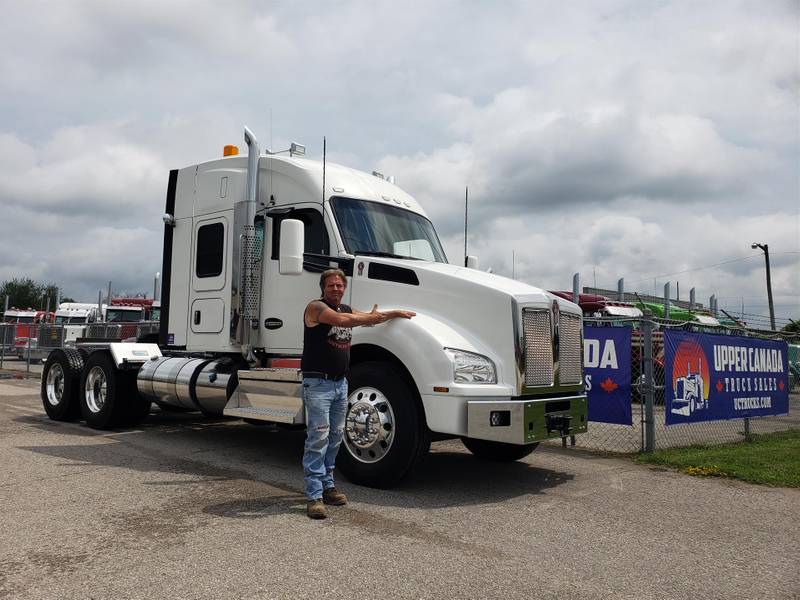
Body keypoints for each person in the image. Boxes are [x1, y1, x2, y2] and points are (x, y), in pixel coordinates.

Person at [301, 268, 415, 519]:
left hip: (340, 385)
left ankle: (328, 486)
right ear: (323, 287)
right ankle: (314, 496)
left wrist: (394, 313)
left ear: (344, 287)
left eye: (340, 285)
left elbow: (368, 317)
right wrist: (368, 318)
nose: (336, 289)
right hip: (318, 385)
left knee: (335, 437)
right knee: (317, 439)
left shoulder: (346, 308)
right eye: (331, 285)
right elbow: (346, 322)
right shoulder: (316, 308)